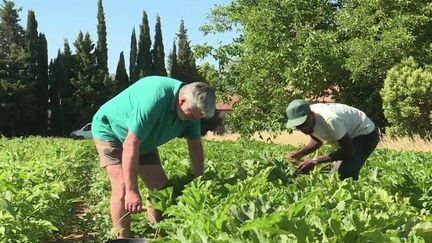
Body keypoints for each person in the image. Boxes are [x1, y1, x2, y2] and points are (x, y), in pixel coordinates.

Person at [91, 76, 216, 238]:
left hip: (143, 138)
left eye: (198, 117)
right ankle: (124, 238)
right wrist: (132, 190)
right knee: (122, 187)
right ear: (182, 101)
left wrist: (199, 179)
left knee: (159, 184)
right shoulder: (156, 98)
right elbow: (130, 144)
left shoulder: (193, 111)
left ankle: (156, 235)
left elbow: (195, 146)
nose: (193, 120)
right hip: (111, 131)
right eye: (191, 115)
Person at [285, 99, 379, 180]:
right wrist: (300, 153)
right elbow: (318, 139)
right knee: (326, 175)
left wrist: (314, 161)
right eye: (299, 127)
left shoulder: (331, 119)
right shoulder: (308, 116)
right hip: (349, 142)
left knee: (339, 176)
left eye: (304, 124)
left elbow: (349, 151)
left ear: (311, 114)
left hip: (365, 134)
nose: (303, 129)